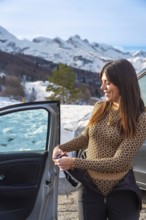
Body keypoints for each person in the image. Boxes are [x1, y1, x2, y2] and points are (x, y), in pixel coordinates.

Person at [52, 59, 146, 220]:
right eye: (102, 82)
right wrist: (61, 147)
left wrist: (74, 162)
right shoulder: (100, 108)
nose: (102, 88)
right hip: (90, 188)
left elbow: (119, 161)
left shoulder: (140, 118)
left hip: (122, 190)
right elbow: (86, 138)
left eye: (107, 83)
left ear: (123, 83)